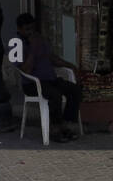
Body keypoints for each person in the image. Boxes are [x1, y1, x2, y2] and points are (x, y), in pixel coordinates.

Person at [15, 13, 81, 142]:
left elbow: (52, 58)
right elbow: (26, 70)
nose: (30, 32)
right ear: (19, 29)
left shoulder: (40, 40)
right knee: (54, 95)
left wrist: (71, 66)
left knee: (75, 90)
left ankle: (66, 125)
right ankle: (55, 128)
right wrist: (33, 48)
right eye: (27, 29)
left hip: (50, 80)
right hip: (33, 84)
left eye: (32, 29)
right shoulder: (17, 44)